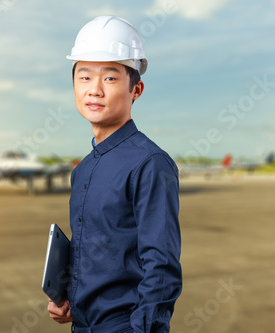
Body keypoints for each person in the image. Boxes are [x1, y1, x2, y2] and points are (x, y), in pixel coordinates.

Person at [47, 16, 182, 332]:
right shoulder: (82, 170)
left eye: (109, 78)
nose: (94, 90)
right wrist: (69, 298)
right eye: (84, 77)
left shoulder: (150, 163)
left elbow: (161, 267)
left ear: (136, 89)